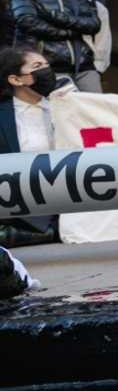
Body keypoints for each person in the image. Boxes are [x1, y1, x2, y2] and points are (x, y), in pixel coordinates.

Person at [10, 0, 102, 92]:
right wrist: (68, 32)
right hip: (48, 68)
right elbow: (27, 21)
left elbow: (93, 24)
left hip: (84, 66)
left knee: (96, 113)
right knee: (61, 114)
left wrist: (57, 17)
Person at [0, 47, 63, 245]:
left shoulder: (66, 105)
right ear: (16, 79)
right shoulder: (3, 115)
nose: (46, 71)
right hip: (20, 206)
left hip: (65, 196)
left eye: (47, 65)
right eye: (37, 66)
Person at [71, 0, 111, 88]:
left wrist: (97, 68)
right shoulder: (50, 3)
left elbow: (103, 41)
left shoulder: (97, 7)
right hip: (55, 68)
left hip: (87, 69)